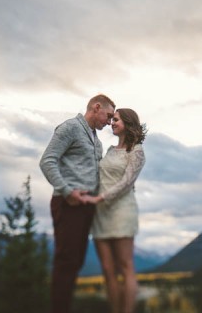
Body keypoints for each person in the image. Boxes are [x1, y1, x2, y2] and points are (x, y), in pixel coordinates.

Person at [40, 94, 116, 313]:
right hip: (68, 204)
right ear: (96, 107)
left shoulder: (97, 142)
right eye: (108, 116)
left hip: (87, 206)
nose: (109, 122)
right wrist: (66, 191)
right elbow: (47, 160)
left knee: (75, 262)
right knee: (66, 262)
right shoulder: (70, 127)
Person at [82, 108, 147, 313]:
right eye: (112, 119)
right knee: (108, 270)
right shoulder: (109, 150)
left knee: (125, 266)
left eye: (116, 119)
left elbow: (127, 183)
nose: (112, 122)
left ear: (128, 123)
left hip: (121, 211)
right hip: (100, 213)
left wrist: (101, 197)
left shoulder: (136, 151)